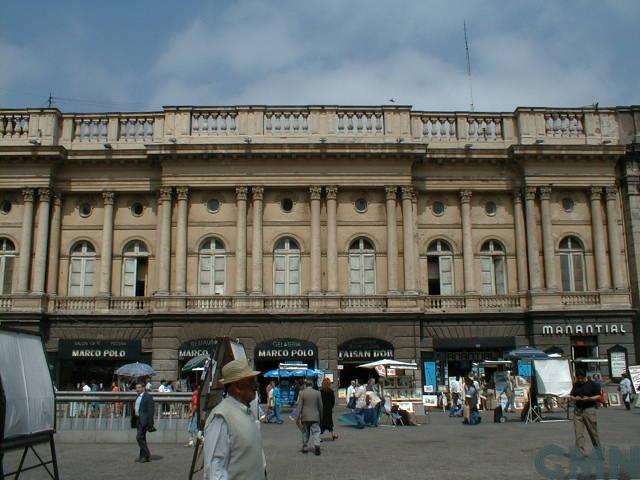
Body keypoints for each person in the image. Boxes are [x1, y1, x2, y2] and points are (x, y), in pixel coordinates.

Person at [203, 359, 266, 480]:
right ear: (237, 386)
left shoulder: (246, 412)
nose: (256, 385)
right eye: (251, 381)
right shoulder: (221, 416)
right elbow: (215, 468)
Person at [569, 370, 601, 457]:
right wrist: (575, 398)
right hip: (578, 411)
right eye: (578, 378)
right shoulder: (576, 384)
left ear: (585, 377)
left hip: (589, 410)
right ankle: (579, 453)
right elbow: (571, 395)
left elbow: (598, 395)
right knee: (578, 433)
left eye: (581, 378)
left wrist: (589, 398)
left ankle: (598, 451)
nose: (580, 380)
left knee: (593, 432)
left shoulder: (592, 384)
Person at [297, 379, 323, 455]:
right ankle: (317, 445)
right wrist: (321, 416)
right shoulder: (318, 393)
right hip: (315, 416)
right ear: (312, 385)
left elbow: (299, 406)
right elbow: (320, 406)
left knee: (305, 432)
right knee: (316, 432)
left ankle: (305, 447)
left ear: (306, 385)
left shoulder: (302, 393)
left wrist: (297, 416)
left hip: (305, 416)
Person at [132, 381, 155, 463]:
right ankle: (143, 456)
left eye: (138, 387)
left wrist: (150, 423)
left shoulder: (147, 397)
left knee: (139, 437)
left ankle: (147, 454)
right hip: (138, 419)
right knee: (142, 438)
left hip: (144, 420)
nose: (137, 389)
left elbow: (151, 411)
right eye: (136, 388)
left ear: (143, 388)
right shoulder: (138, 396)